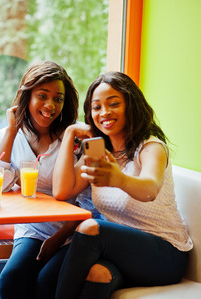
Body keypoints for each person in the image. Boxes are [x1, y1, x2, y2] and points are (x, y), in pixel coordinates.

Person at [52, 71, 193, 298]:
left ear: (131, 105)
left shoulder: (150, 147)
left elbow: (150, 189)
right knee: (99, 274)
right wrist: (70, 134)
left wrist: (118, 178)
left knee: (90, 227)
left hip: (165, 255)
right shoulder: (99, 150)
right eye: (96, 107)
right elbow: (62, 190)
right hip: (123, 252)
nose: (104, 112)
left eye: (113, 104)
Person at [0, 60, 101, 299]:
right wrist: (12, 131)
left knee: (46, 283)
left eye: (58, 99)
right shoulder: (8, 136)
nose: (50, 105)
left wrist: (60, 236)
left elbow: (91, 200)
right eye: (42, 96)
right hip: (33, 230)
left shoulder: (75, 139)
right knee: (11, 281)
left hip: (73, 231)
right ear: (27, 96)